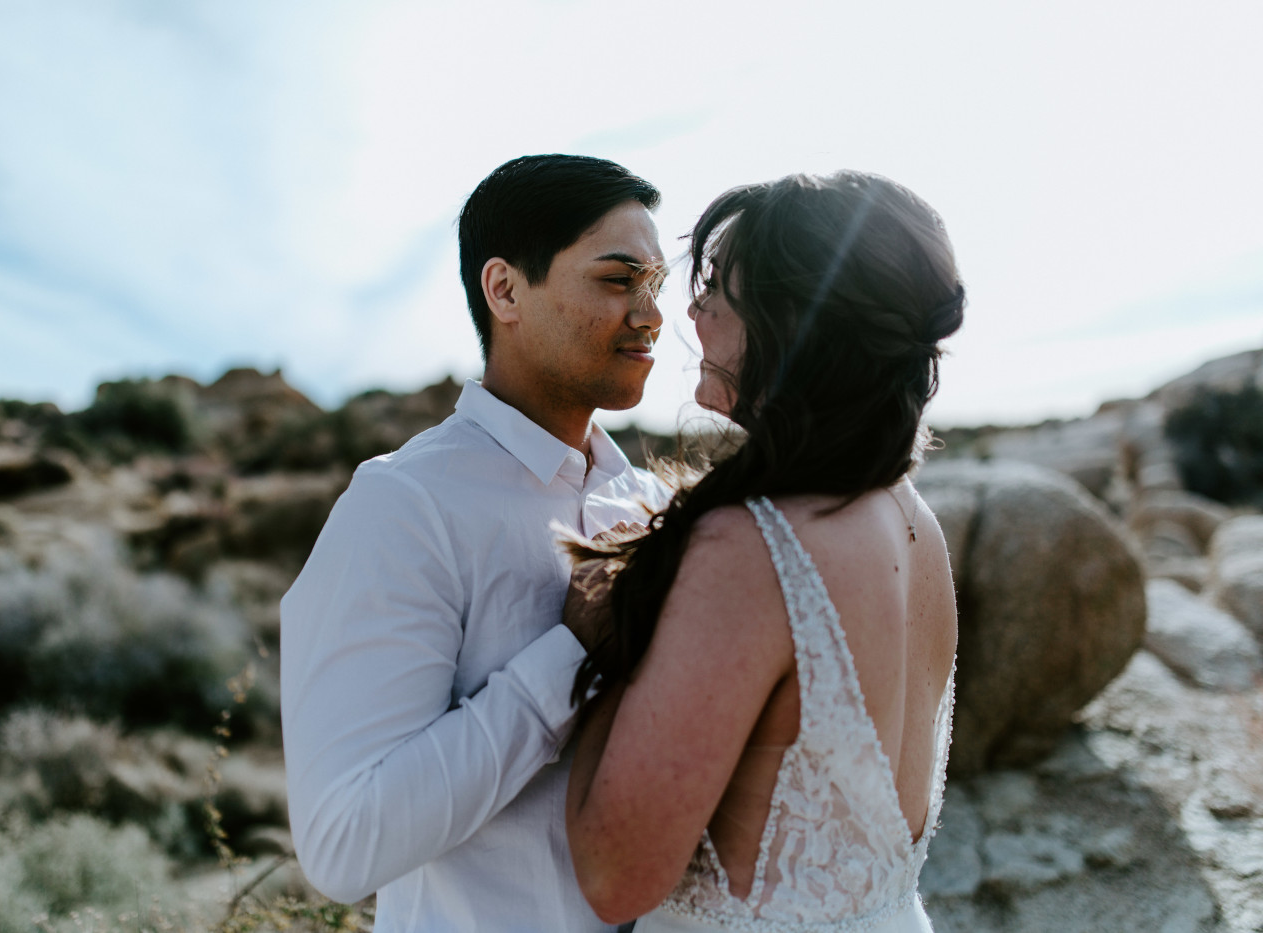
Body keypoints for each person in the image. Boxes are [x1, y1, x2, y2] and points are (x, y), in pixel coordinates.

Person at [562, 171, 965, 932]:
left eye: (719, 288)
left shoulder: (751, 550)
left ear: (797, 323)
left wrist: (608, 640)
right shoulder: (914, 521)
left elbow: (614, 878)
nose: (693, 310)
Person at [280, 154, 672, 932]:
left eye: (657, 284)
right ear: (504, 290)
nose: (652, 312)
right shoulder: (404, 505)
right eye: (618, 279)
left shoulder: (650, 501)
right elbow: (343, 843)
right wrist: (571, 653)